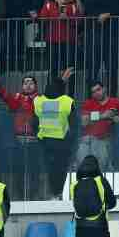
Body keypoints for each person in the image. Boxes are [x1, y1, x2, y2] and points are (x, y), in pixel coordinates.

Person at [33, 68, 77, 200]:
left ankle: (49, 195)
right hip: (61, 143)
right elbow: (75, 124)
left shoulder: (39, 101)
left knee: (47, 170)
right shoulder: (66, 101)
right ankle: (58, 194)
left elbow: (34, 122)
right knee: (60, 170)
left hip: (44, 143)